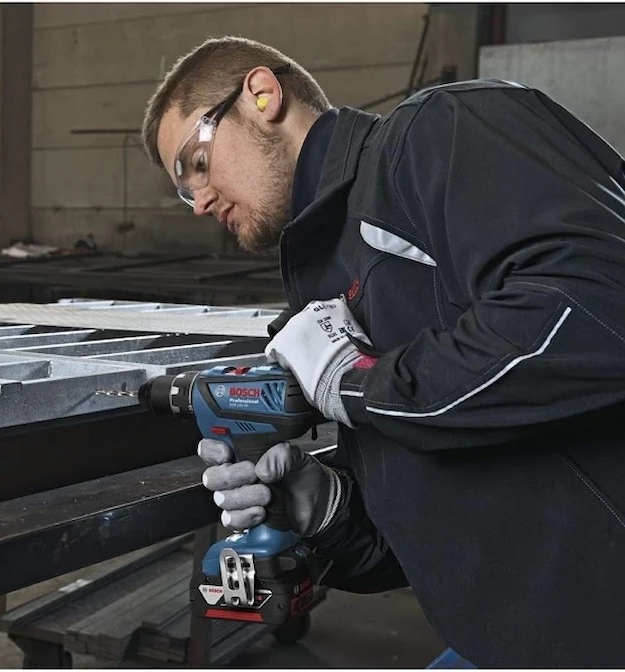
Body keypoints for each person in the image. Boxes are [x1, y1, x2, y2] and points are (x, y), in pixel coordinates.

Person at [140, 36, 625, 668]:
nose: (200, 201)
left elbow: (596, 313)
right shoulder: (324, 285)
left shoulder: (439, 134)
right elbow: (422, 535)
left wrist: (355, 384)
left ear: (261, 95)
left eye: (196, 163)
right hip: (506, 638)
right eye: (185, 190)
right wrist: (329, 509)